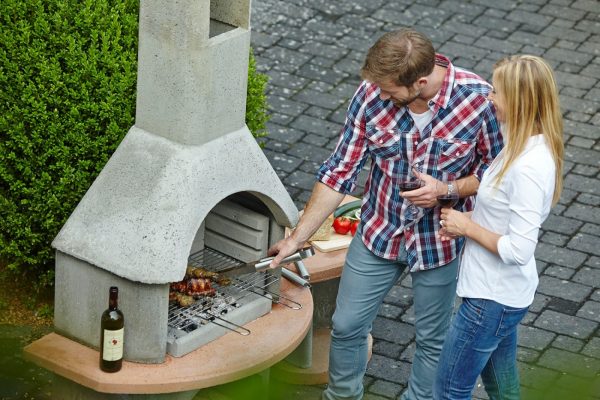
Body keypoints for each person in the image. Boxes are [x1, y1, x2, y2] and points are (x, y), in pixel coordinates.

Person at [268, 28, 503, 400]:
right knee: (346, 325)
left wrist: (448, 190)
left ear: (421, 82)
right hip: (380, 228)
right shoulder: (371, 94)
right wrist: (296, 239)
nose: (380, 95)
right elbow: (339, 172)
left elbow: (498, 171)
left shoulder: (478, 100)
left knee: (432, 339)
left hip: (440, 239)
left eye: (390, 91)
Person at [434, 55, 564, 400]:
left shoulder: (528, 167)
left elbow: (519, 250)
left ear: (519, 100)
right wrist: (468, 223)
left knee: (448, 390)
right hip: (499, 296)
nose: (490, 98)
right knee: (503, 387)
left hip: (491, 299)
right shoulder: (521, 146)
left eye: (497, 92)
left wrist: (466, 226)